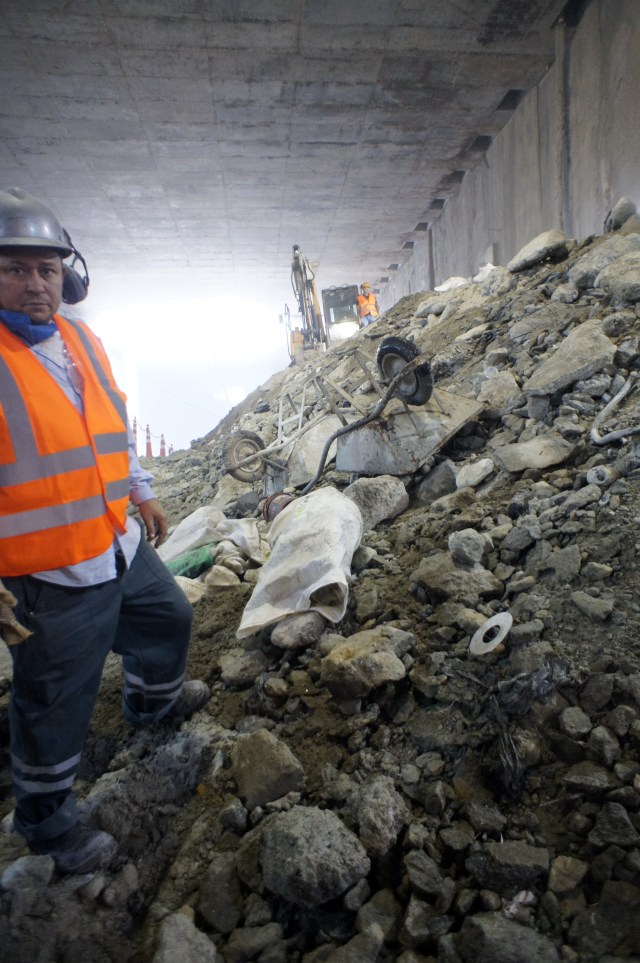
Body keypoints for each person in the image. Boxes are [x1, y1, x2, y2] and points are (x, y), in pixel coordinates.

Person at [0, 188, 210, 875]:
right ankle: (48, 824)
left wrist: (140, 489)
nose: (36, 284)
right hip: (49, 575)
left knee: (169, 617)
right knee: (54, 704)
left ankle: (150, 711)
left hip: (114, 542)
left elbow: (111, 423)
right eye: (17, 269)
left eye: (48, 270)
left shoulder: (81, 338)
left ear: (70, 276)